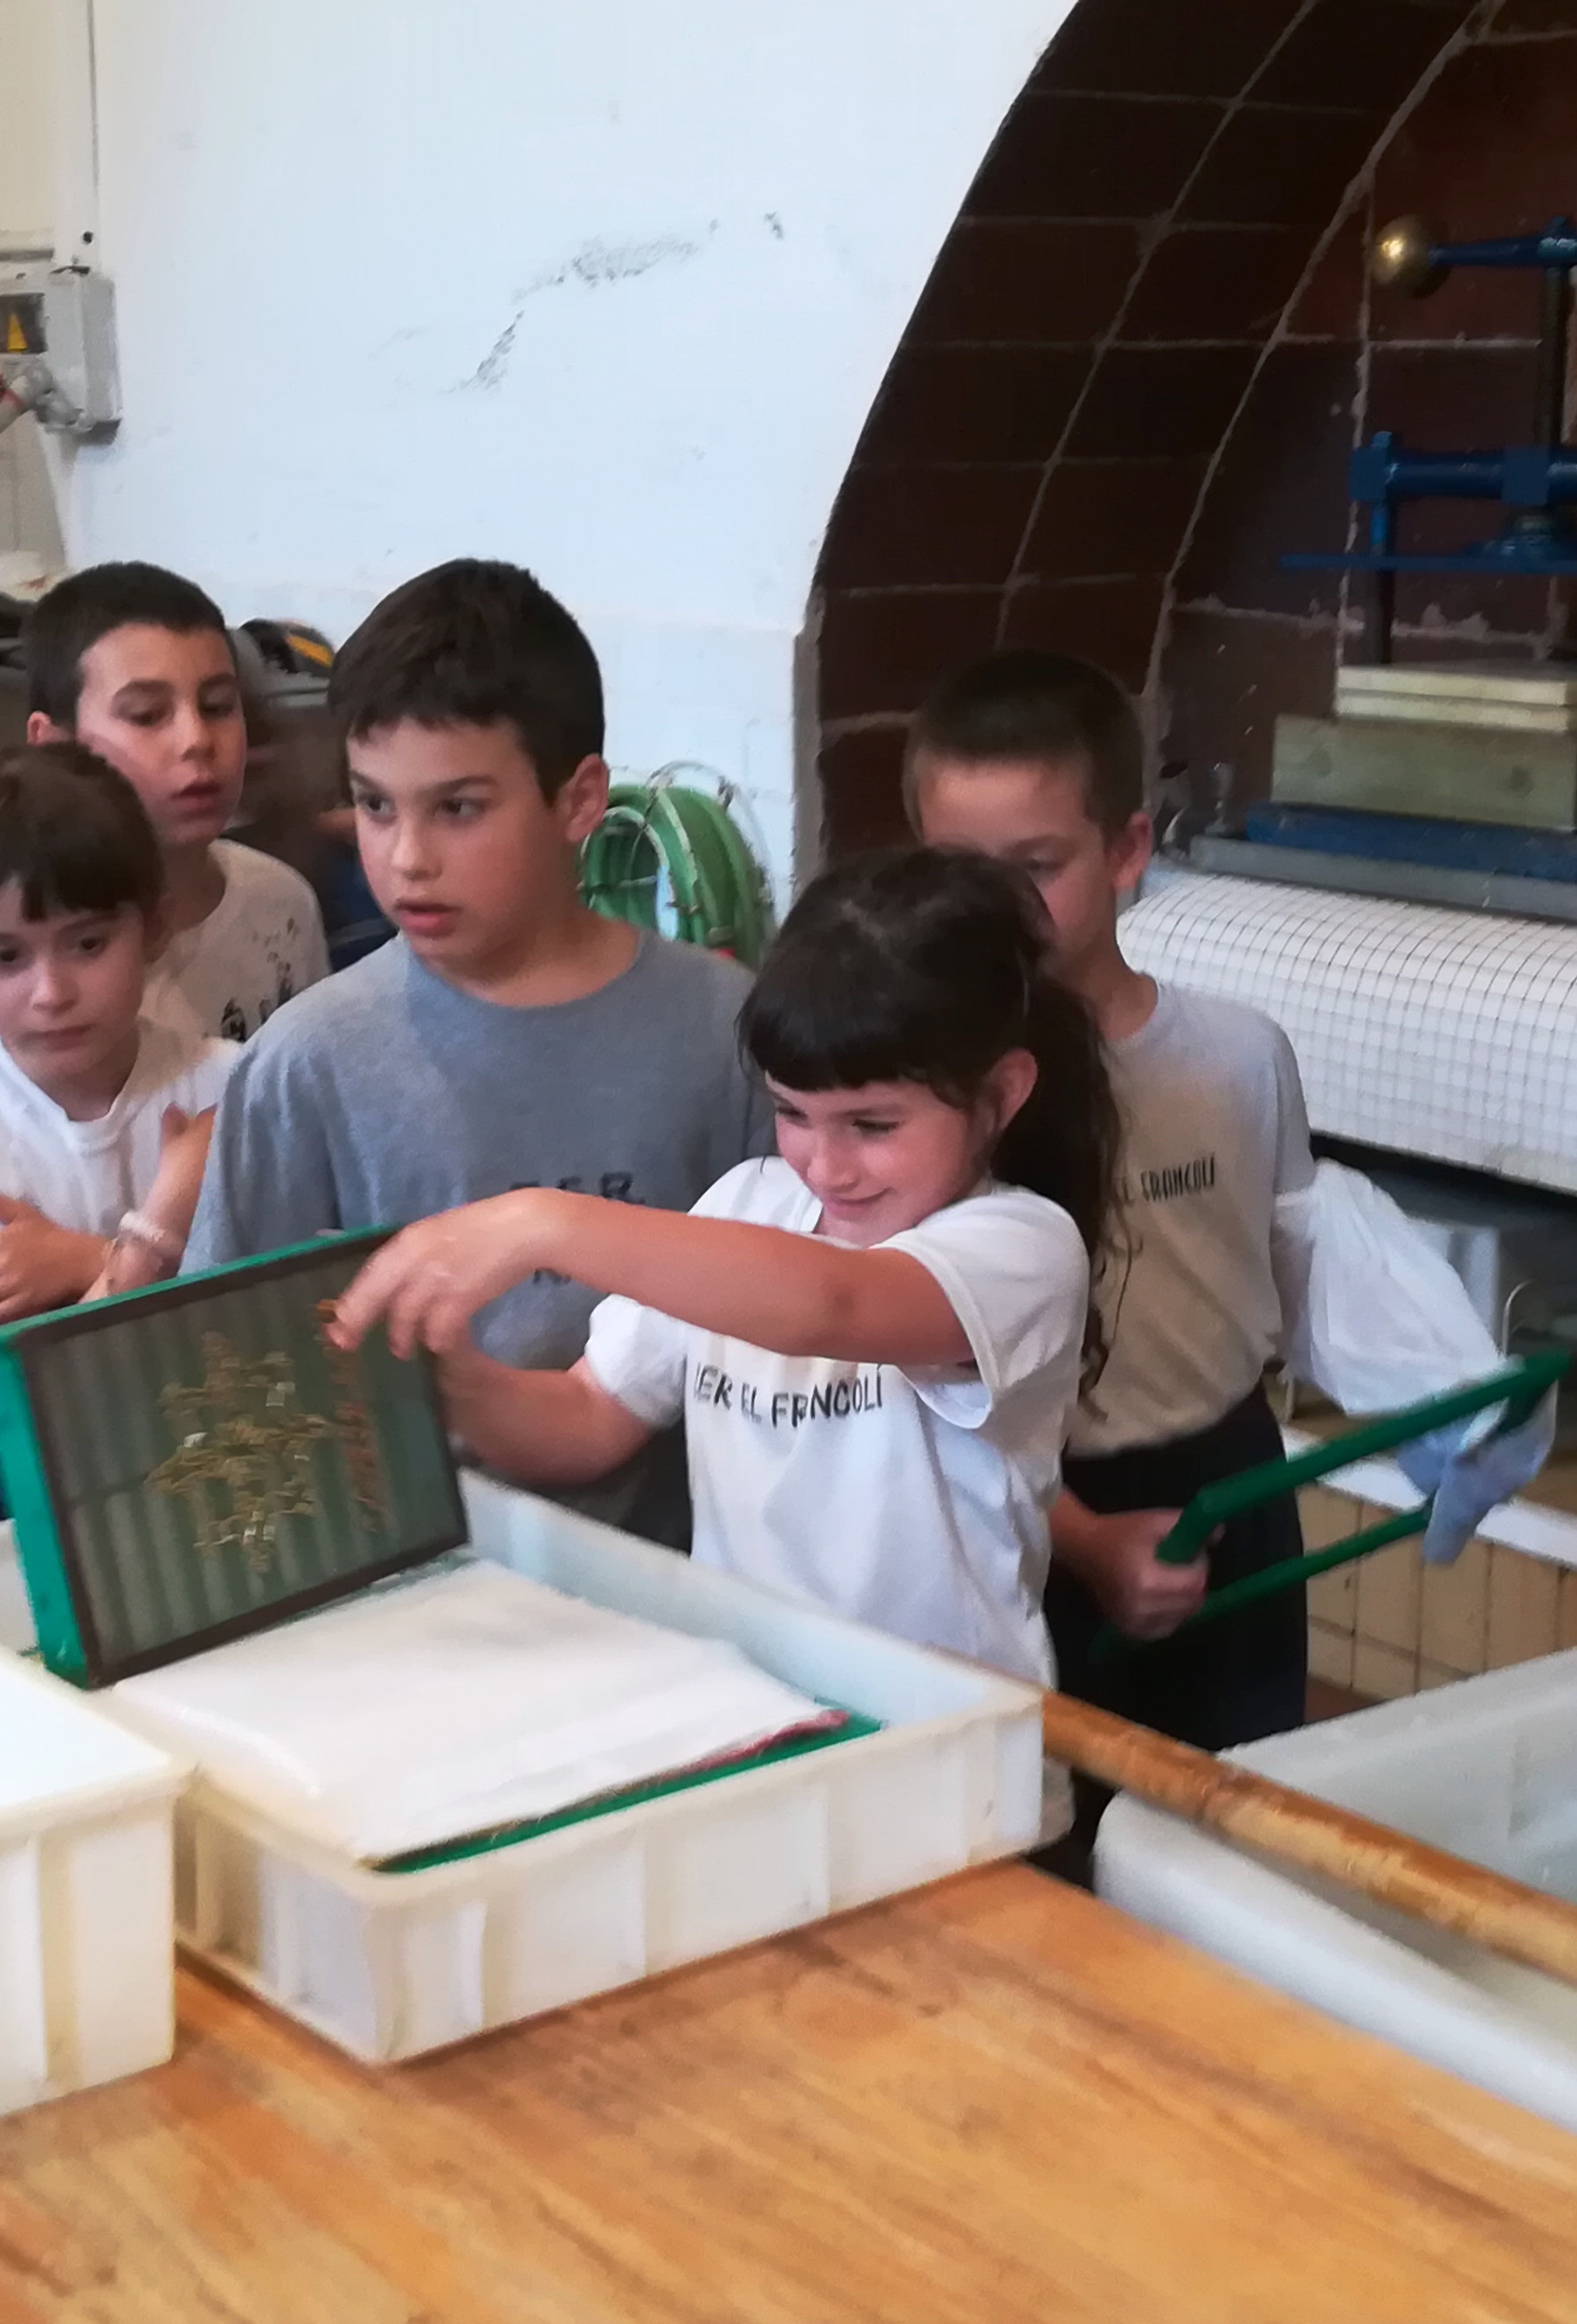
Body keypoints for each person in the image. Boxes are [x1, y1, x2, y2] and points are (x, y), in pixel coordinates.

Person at [905, 651, 1548, 1861]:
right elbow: (915, 1368)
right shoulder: (921, 1096)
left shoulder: (1239, 1057)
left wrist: (1452, 1404)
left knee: (1234, 1824)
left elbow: (1309, 1263)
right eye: (957, 874)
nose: (995, 913)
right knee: (1036, 1843)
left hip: (1223, 1481)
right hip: (1023, 1502)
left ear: (1126, 851)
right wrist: (1075, 1535)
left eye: (1034, 868)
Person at [322, 850, 1119, 1684]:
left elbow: (835, 1304)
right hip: (752, 1706)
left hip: (950, 1722)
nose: (826, 1165)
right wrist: (451, 1380)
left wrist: (543, 1223)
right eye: (792, 1113)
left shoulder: (1021, 1247)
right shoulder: (745, 1204)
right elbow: (587, 1418)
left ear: (1003, 1093)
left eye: (873, 1125)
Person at [176, 557, 773, 1546]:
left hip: (693, 1582)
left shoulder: (725, 1034)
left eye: (458, 808)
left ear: (579, 801)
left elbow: (802, 1331)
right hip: (411, 1580)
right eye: (376, 805)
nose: (406, 858)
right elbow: (229, 1374)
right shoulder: (307, 1063)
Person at [0, 563, 327, 1324]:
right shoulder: (16, 1010)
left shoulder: (283, 904)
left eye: (219, 707)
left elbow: (305, 1168)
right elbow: (5, 1271)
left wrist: (93, 1256)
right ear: (55, 744)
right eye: (147, 715)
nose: (197, 741)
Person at [0, 745, 237, 1529]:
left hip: (233, 1488)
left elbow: (282, 1338)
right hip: (38, 1520)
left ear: (155, 925)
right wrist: (157, 1234)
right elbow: (37, 1417)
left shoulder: (234, 1088)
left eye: (88, 944)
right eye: (5, 956)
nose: (51, 992)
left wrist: (80, 1265)